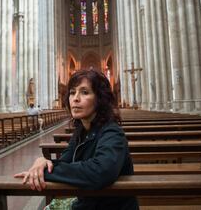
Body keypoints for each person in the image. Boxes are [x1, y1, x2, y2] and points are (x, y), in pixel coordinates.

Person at [14, 69, 138, 210]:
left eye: (84, 92)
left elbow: (101, 171)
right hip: (88, 203)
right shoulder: (81, 131)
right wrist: (43, 163)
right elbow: (65, 162)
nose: (75, 98)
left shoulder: (112, 132)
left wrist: (45, 173)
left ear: (100, 99)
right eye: (72, 92)